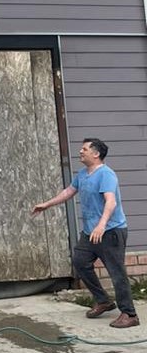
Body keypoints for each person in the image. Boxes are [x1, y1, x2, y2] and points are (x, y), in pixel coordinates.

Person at [31, 138, 139, 329]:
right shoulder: (82, 174)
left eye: (85, 149)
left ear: (96, 154)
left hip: (110, 231)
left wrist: (101, 225)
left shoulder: (106, 174)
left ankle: (129, 314)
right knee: (80, 261)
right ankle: (103, 301)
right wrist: (46, 204)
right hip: (90, 232)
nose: (80, 152)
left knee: (116, 273)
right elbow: (68, 192)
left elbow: (111, 202)